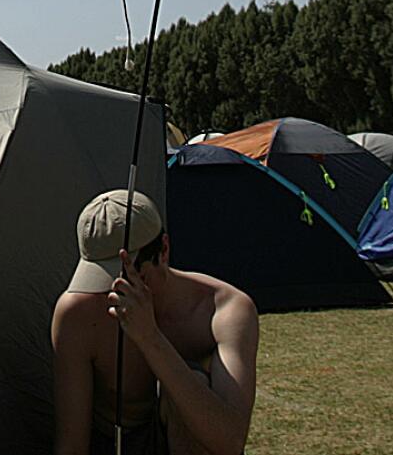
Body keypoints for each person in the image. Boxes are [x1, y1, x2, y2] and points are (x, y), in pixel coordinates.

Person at [50, 190, 258, 454]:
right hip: (115, 444)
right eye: (100, 278)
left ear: (164, 250)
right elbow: (71, 444)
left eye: (128, 277)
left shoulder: (224, 310)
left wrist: (149, 338)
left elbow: (229, 441)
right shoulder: (78, 312)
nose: (112, 291)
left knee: (190, 383)